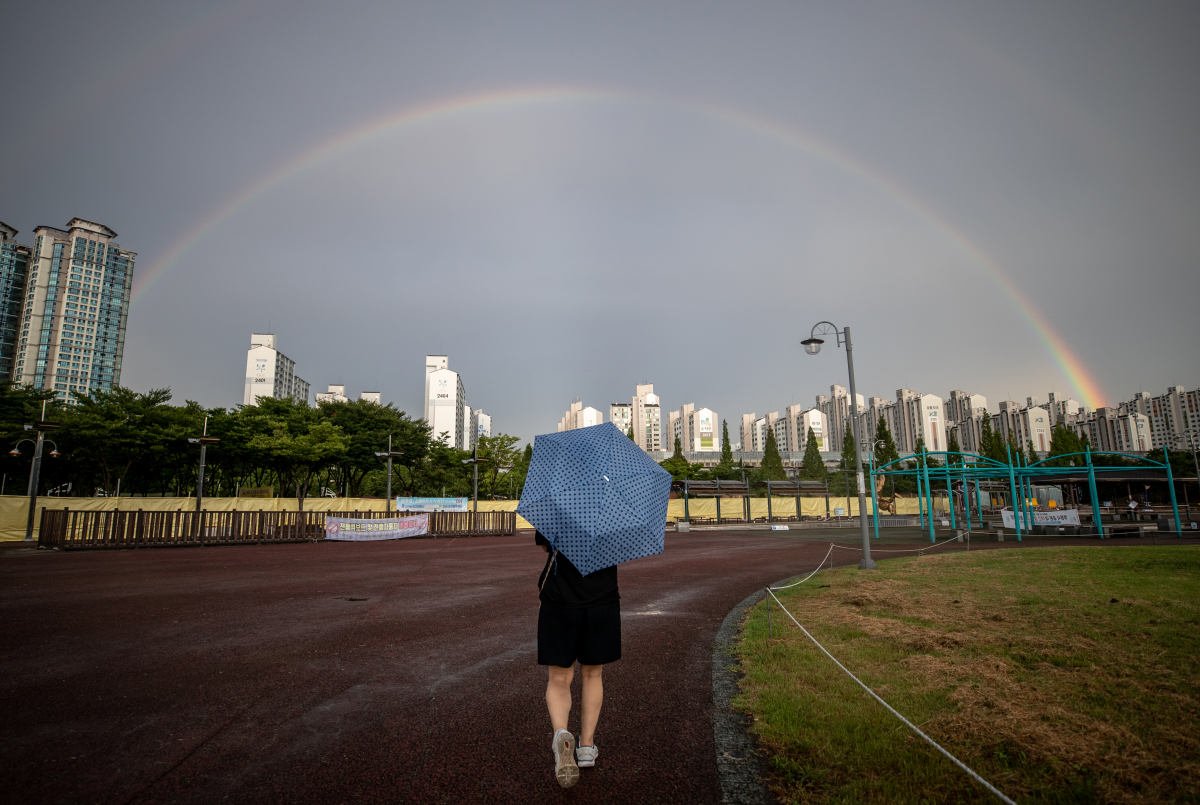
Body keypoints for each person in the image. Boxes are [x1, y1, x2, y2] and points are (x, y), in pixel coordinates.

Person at [535, 530, 621, 789]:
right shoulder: (616, 508)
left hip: (559, 600)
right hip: (602, 598)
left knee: (559, 678)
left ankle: (562, 733)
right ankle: (585, 748)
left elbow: (545, 547)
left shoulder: (558, 502)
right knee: (593, 674)